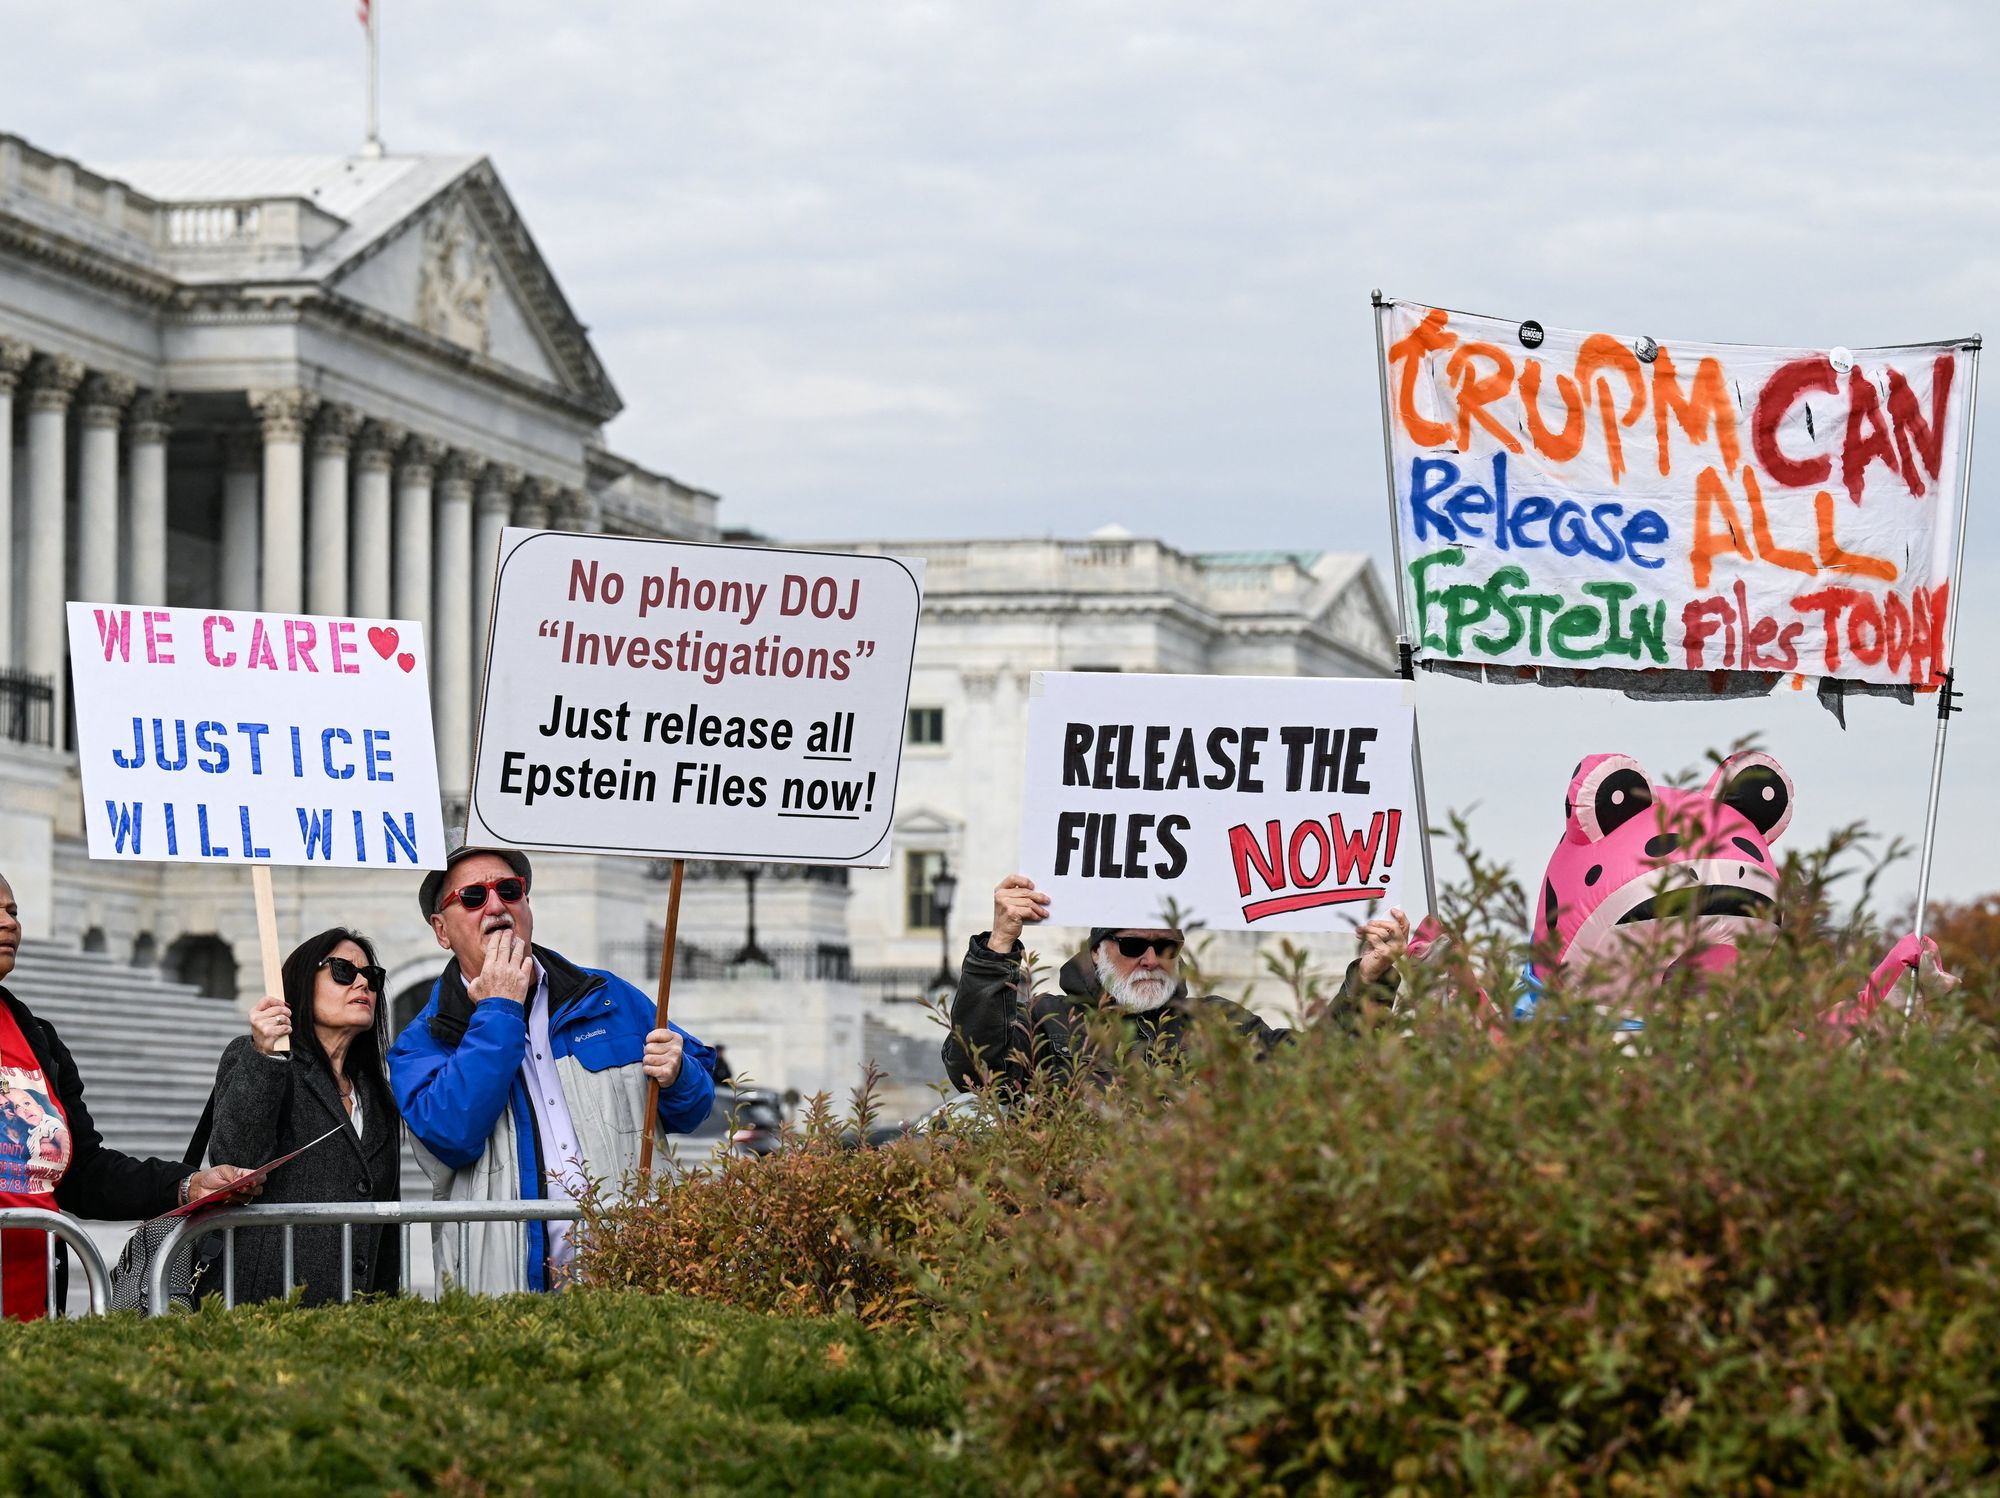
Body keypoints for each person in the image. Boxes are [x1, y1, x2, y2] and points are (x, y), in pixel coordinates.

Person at [388, 846, 718, 1294]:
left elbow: (694, 1109)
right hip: (509, 1293)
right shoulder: (422, 1040)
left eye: (509, 890)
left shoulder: (608, 996)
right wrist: (500, 1007)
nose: (496, 905)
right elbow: (452, 1132)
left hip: (632, 1276)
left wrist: (680, 1075)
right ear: (441, 930)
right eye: (472, 897)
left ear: (526, 905)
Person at [0, 873, 259, 1320]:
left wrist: (188, 1185)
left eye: (13, 911)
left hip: (31, 1311)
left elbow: (85, 1173)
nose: (9, 924)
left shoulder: (35, 1037)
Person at [942, 873, 1407, 1091]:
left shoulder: (1220, 1023)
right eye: (1132, 946)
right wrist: (1000, 943)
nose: (1150, 959)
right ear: (1100, 951)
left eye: (1165, 947)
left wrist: (1369, 981)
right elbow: (975, 1069)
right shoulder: (1047, 1019)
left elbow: (1317, 1069)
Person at [205, 928, 402, 1305]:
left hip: (353, 1318)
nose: (363, 982)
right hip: (266, 1309)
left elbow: (385, 1224)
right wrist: (265, 1056)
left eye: (373, 976)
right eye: (343, 970)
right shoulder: (261, 1060)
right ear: (300, 983)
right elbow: (236, 1161)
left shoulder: (375, 1092)